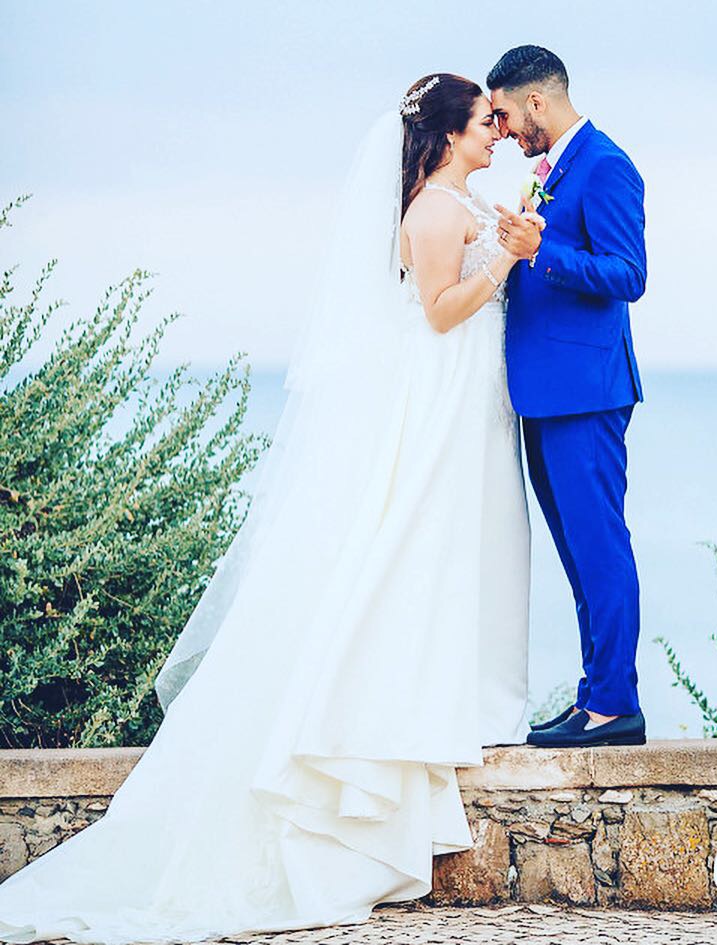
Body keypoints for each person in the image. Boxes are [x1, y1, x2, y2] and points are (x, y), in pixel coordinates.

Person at [0, 73, 541, 945]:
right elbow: (442, 313)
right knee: (416, 547)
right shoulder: (436, 211)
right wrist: (508, 256)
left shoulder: (463, 201)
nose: (495, 131)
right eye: (484, 121)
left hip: (465, 392)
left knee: (446, 549)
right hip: (442, 386)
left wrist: (510, 236)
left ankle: (459, 698)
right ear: (447, 134)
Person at [487, 46, 649, 748]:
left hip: (585, 394)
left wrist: (539, 251)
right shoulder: (553, 169)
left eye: (504, 115)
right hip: (544, 395)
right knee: (578, 554)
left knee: (600, 547)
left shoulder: (606, 165)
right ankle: (594, 695)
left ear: (537, 102)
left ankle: (616, 706)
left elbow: (628, 274)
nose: (502, 131)